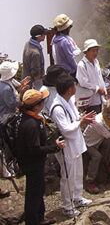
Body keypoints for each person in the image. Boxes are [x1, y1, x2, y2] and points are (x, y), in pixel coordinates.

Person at [50, 74, 96, 217]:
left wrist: (82, 119)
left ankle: (77, 197)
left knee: (77, 172)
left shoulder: (68, 101)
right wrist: (81, 122)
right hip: (66, 145)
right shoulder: (57, 107)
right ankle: (67, 205)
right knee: (68, 175)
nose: (76, 87)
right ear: (70, 89)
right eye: (74, 85)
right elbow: (65, 129)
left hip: (75, 143)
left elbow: (75, 117)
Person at [16, 88, 64, 225]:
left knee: (37, 190)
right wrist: (55, 147)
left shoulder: (27, 119)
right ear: (36, 106)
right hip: (32, 164)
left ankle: (40, 217)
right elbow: (35, 149)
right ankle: (33, 220)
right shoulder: (31, 124)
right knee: (33, 193)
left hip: (30, 162)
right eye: (42, 101)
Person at [83, 98, 110, 194]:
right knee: (96, 156)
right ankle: (89, 181)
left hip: (99, 139)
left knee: (109, 142)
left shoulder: (107, 118)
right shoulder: (98, 121)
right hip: (88, 143)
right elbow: (107, 134)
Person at [75, 39, 106, 114]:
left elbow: (99, 78)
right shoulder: (82, 65)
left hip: (99, 98)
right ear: (86, 52)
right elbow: (83, 82)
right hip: (89, 100)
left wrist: (104, 90)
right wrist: (97, 88)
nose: (95, 53)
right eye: (93, 50)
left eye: (97, 50)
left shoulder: (96, 62)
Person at [22, 24, 49, 89]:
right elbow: (36, 73)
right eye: (44, 34)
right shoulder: (35, 53)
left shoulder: (28, 43)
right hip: (32, 84)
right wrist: (39, 88)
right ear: (39, 36)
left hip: (26, 79)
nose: (45, 35)